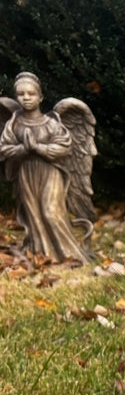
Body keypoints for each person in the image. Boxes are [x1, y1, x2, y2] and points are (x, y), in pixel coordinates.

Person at [0, 72, 96, 264]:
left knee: (51, 211)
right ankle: (42, 254)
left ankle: (70, 254)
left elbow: (64, 147)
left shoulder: (52, 123)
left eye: (31, 93)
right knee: (33, 214)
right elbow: (4, 148)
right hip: (26, 174)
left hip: (50, 173)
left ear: (40, 97)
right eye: (21, 94)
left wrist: (39, 148)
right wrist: (22, 149)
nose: (26, 98)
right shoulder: (14, 123)